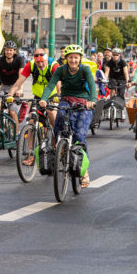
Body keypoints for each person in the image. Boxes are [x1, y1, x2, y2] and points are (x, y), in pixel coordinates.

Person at [39, 45, 96, 188]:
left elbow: (92, 87)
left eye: (76, 57)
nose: (73, 60)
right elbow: (51, 84)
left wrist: (92, 101)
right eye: (70, 57)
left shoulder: (85, 70)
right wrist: (44, 99)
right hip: (66, 100)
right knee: (59, 124)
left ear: (80, 58)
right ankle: (59, 151)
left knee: (79, 136)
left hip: (83, 103)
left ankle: (84, 172)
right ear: (66, 58)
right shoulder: (61, 70)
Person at [7, 48, 60, 126]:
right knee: (31, 121)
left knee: (52, 113)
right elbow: (19, 81)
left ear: (46, 59)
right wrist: (10, 94)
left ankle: (55, 136)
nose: (40, 64)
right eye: (38, 62)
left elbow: (58, 82)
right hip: (37, 97)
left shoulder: (53, 65)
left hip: (52, 96)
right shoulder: (31, 65)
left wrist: (59, 96)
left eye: (42, 61)